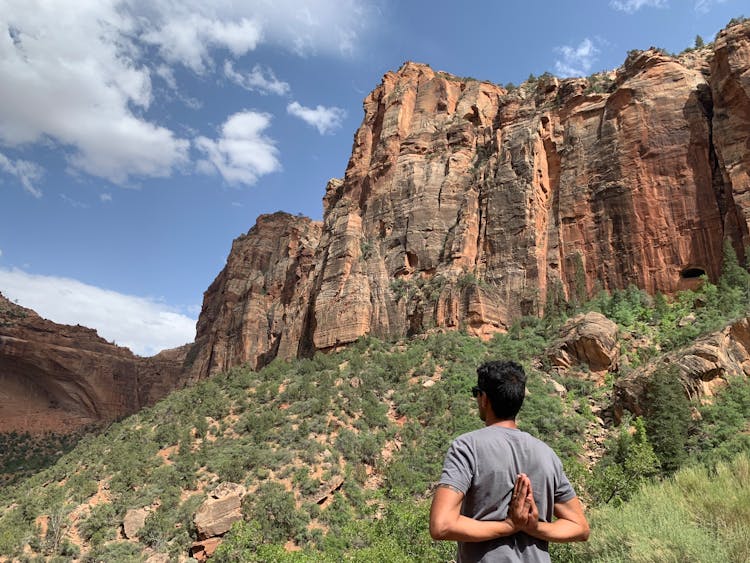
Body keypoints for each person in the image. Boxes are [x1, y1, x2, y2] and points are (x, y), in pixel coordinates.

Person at [429, 360, 589, 562]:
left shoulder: (467, 447)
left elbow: (441, 525)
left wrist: (509, 526)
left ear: (484, 398)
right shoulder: (547, 454)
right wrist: (536, 527)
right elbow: (579, 528)